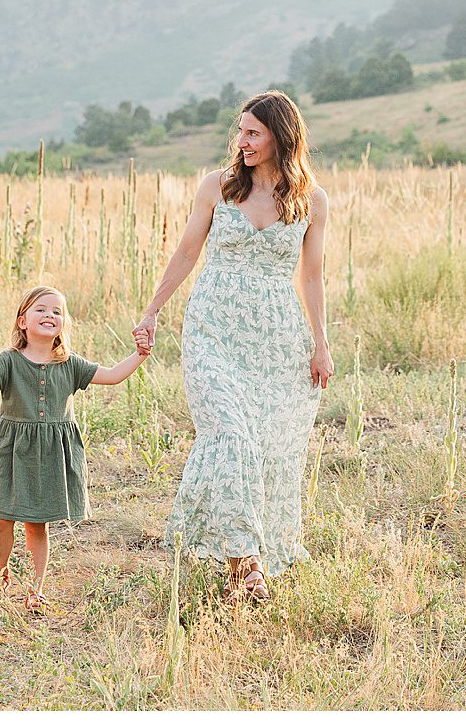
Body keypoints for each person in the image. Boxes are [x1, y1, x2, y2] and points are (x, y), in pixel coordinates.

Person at [132, 90, 333, 603]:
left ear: (281, 137)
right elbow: (185, 251)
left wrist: (321, 344)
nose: (241, 142)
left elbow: (312, 277)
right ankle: (246, 561)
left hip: (276, 341)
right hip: (212, 333)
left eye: (253, 133)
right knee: (229, 436)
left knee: (265, 451)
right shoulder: (218, 188)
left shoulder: (311, 200)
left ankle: (242, 565)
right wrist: (153, 310)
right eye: (239, 131)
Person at [0, 285, 151, 612]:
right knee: (1, 518)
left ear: (63, 324)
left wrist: (140, 354)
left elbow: (113, 375)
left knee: (36, 524)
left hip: (49, 455)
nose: (50, 315)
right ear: (22, 321)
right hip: (12, 453)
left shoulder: (70, 365)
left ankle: (34, 588)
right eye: (41, 309)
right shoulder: (9, 361)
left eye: (57, 311)